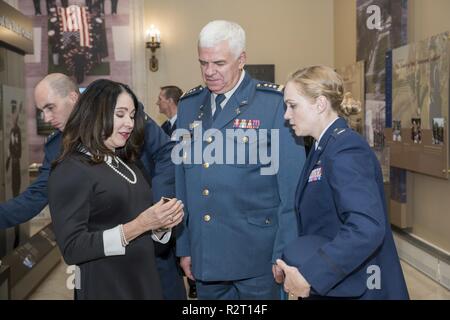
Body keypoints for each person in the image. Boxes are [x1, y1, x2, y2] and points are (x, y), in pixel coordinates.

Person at [0, 73, 186, 300]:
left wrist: (158, 213)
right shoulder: (61, 153)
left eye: (50, 107)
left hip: (152, 254)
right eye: (41, 111)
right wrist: (143, 223)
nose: (46, 118)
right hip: (106, 270)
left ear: (73, 98)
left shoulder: (121, 136)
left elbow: (165, 153)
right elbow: (41, 200)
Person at [175, 20, 306, 300]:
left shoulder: (273, 103)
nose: (209, 72)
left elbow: (291, 191)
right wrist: (184, 245)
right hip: (205, 255)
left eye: (219, 63)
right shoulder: (188, 107)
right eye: (203, 63)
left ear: (241, 59)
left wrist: (284, 253)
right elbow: (181, 185)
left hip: (258, 258)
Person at [277, 65, 409, 300]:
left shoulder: (345, 149)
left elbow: (366, 227)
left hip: (358, 285)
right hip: (340, 281)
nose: (287, 115)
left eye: (292, 105)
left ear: (320, 104)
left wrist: (311, 274)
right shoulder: (323, 146)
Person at [156, 85, 197, 298]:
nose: (157, 103)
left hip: (188, 195)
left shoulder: (190, 126)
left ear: (171, 101)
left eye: (160, 99)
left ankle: (193, 284)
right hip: (169, 200)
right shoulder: (163, 128)